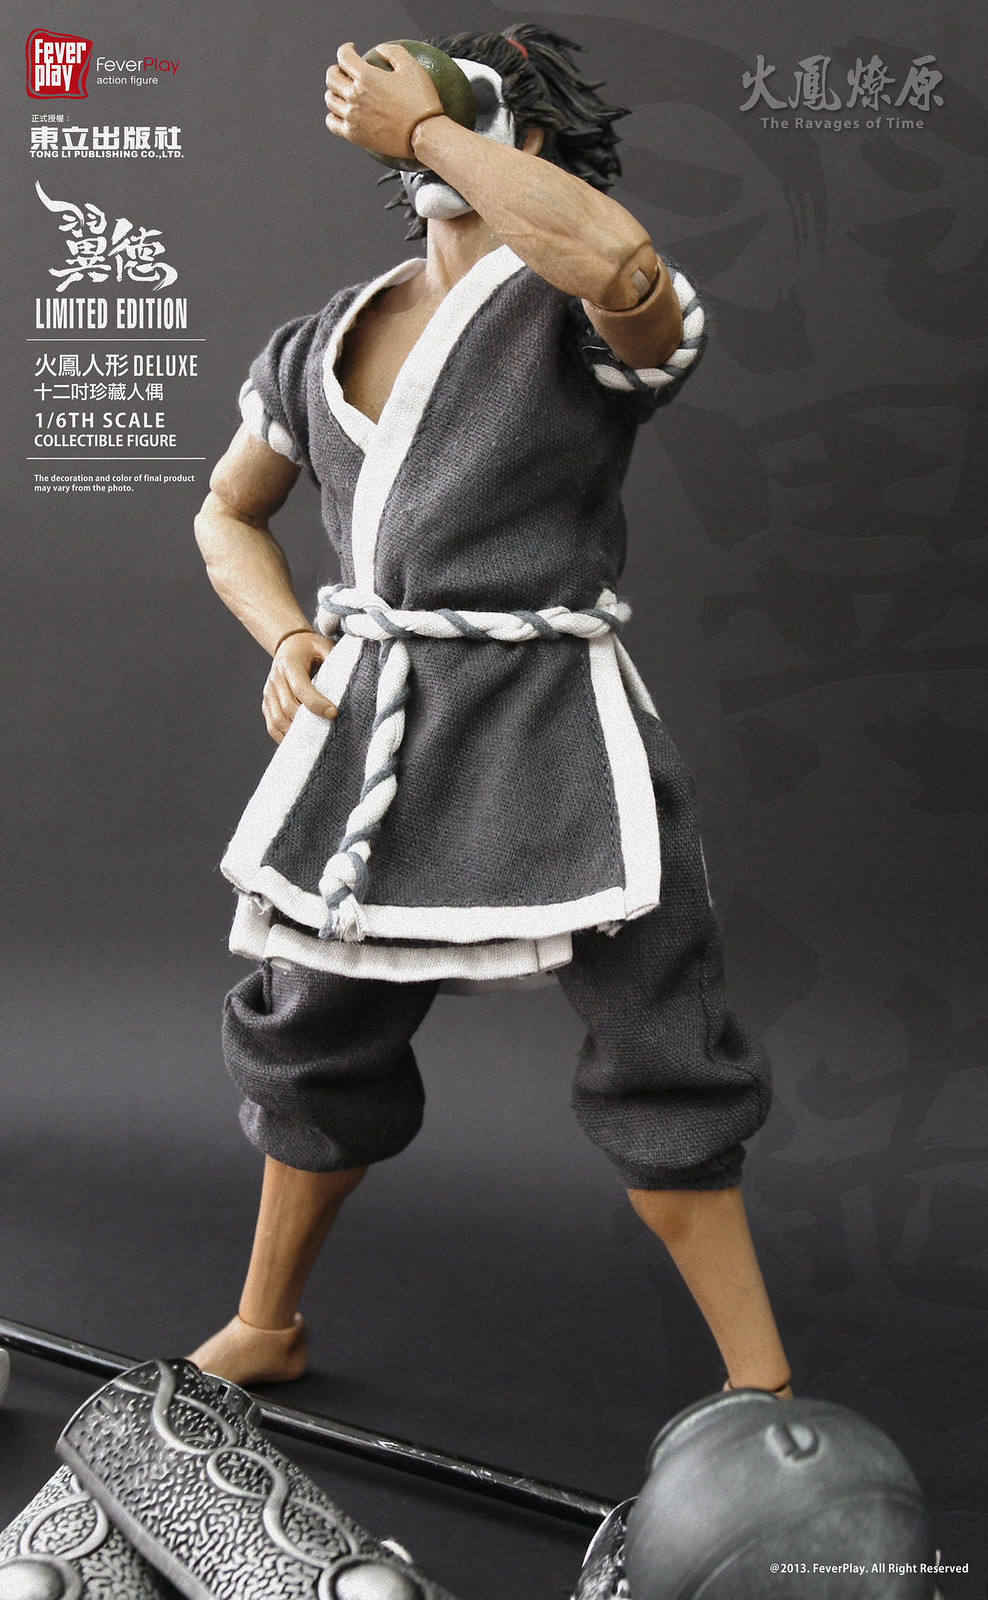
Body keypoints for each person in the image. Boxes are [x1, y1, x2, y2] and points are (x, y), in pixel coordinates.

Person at [188, 25, 792, 1403]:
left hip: (550, 720)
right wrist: (290, 634)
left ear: (527, 136)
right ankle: (268, 1322)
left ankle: (761, 1391)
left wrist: (436, 129)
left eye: (465, 107)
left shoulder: (572, 302)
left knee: (657, 1030)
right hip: (373, 724)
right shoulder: (320, 339)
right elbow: (227, 510)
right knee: (310, 1025)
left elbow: (626, 271)